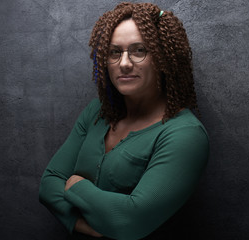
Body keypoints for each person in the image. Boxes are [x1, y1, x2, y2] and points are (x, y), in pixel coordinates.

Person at [39, 2, 209, 239]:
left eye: (139, 50)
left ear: (162, 59)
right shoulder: (98, 111)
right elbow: (49, 184)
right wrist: (79, 223)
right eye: (114, 52)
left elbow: (130, 220)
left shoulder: (185, 134)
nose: (125, 63)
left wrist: (76, 184)